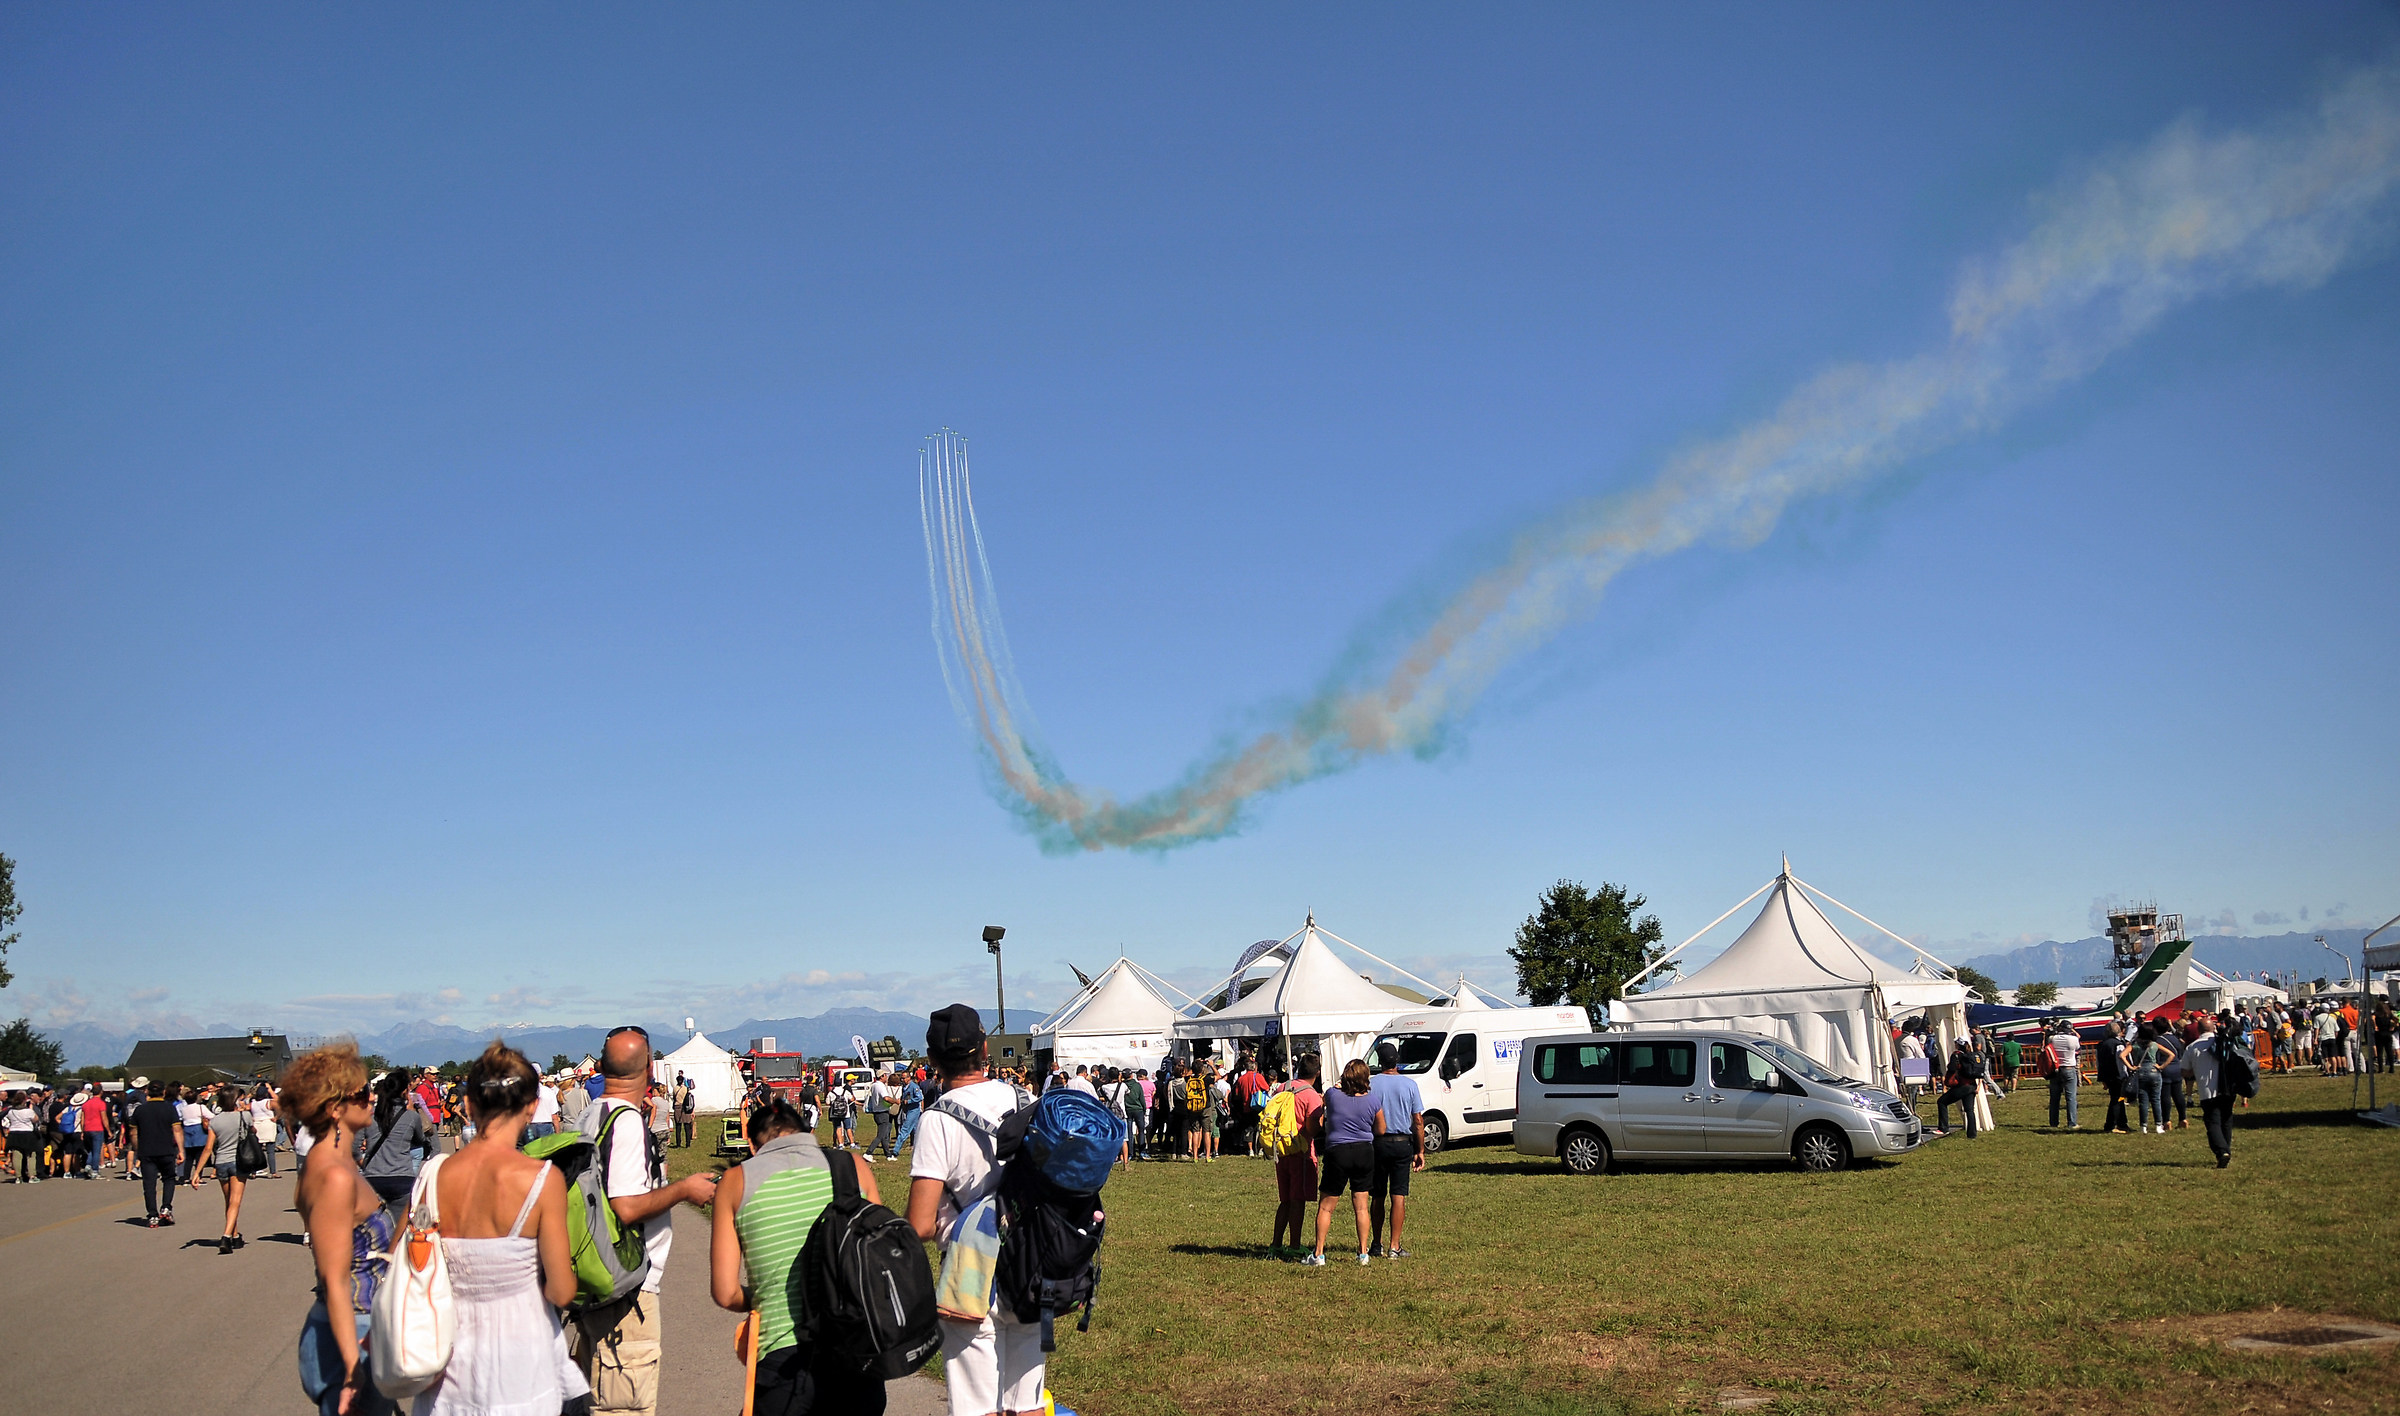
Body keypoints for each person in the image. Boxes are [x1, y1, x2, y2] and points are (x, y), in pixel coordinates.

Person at [413, 1041, 589, 1416]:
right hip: (523, 1364)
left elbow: (407, 1262)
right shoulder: (542, 1179)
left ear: (470, 1105)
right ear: (530, 1106)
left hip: (446, 1365)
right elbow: (560, 1291)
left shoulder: (432, 1176)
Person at [571, 1026, 719, 1416]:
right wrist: (685, 1190)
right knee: (623, 1404)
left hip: (595, 1278)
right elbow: (627, 1206)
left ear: (601, 1066)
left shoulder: (589, 1115)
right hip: (627, 1287)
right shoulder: (626, 1122)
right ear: (651, 1067)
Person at [907, 1003, 1044, 1416]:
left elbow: (920, 1225)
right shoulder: (1026, 1100)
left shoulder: (937, 1120)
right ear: (985, 1048)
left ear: (931, 1060)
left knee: (975, 1406)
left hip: (971, 1272)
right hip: (1033, 1262)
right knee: (1028, 1403)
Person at [711, 1094, 886, 1416]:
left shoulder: (736, 1181)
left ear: (752, 1147)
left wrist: (767, 1294)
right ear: (809, 1134)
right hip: (858, 1353)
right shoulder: (854, 1167)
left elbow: (725, 1293)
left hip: (784, 1362)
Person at [288, 1043, 400, 1416]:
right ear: (336, 1108)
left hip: (363, 1328)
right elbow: (334, 1278)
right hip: (350, 1335)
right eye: (364, 1093)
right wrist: (353, 1369)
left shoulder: (338, 1163)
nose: (373, 1098)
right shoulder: (334, 1175)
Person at [1305, 1059, 1383, 1267]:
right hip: (1364, 1151)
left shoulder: (1332, 1095)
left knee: (1326, 1207)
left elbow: (1324, 1102)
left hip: (1337, 1151)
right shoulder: (1373, 1101)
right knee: (1361, 1207)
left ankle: (1319, 1253)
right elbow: (1381, 1129)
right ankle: (1363, 1251)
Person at [1366, 1042, 1425, 1258]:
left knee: (1378, 1195)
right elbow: (1418, 1120)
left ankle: (1376, 1242)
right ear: (1397, 1060)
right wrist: (1420, 1150)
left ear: (1380, 1061)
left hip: (1378, 1143)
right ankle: (1394, 1245)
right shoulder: (1409, 1084)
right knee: (1398, 1195)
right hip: (1402, 1143)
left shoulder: (1371, 1084)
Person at [358, 1069, 435, 1229]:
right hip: (401, 1176)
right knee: (401, 1230)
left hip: (373, 1177)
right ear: (404, 1091)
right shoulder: (411, 1117)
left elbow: (354, 1146)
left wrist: (362, 1163)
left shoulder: (372, 1117)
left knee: (374, 1231)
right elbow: (420, 1139)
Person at [1269, 1058, 1324, 1256]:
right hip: (1300, 1151)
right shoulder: (1311, 1095)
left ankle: (1276, 1243)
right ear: (1317, 1072)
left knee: (1285, 1200)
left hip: (1280, 1149)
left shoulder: (1282, 1087)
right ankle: (1294, 1245)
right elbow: (1312, 1128)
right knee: (1297, 1199)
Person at [2187, 1012, 2239, 1168]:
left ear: (2199, 1030)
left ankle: (2222, 1151)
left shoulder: (2193, 1047)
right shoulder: (2225, 1042)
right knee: (2226, 1120)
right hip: (2228, 1087)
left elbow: (2185, 1071)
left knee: (2213, 1122)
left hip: (2207, 1090)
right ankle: (2226, 1149)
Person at [129, 1078, 185, 1224]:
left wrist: (137, 1150)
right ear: (163, 1091)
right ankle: (166, 1207)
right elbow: (177, 1130)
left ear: (147, 1091)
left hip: (147, 1151)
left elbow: (133, 1133)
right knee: (169, 1179)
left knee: (149, 1184)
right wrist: (181, 1150)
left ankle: (152, 1215)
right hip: (166, 1150)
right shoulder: (169, 1108)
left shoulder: (140, 1110)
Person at [207, 1089, 253, 1253]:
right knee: (235, 1201)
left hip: (221, 1162)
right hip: (238, 1161)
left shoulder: (215, 1121)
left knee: (228, 1201)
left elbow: (208, 1148)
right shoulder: (244, 1116)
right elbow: (252, 1131)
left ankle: (235, 1235)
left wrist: (197, 1172)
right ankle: (226, 1236)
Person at [1936, 1036, 1982, 1138]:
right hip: (1972, 1085)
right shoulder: (1971, 1055)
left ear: (1957, 1045)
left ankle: (1943, 1128)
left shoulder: (1956, 1055)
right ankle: (1972, 1134)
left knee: (1942, 1102)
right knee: (1969, 1110)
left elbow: (1952, 1068)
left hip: (1961, 1085)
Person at [2132, 1024, 2171, 1135]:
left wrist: (2131, 1066)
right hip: (2154, 1071)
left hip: (2141, 1071)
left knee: (2143, 1101)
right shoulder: (2154, 1044)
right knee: (2156, 1100)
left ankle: (2143, 1126)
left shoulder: (2135, 1045)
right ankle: (2159, 1125)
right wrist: (2161, 1066)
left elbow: (2122, 1055)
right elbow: (2171, 1054)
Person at [2044, 1021, 2080, 1130]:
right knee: (2071, 1097)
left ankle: (2054, 1122)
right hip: (2069, 1068)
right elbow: (2077, 1047)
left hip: (2055, 1068)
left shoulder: (2052, 1039)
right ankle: (2072, 1122)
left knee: (2054, 1097)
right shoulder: (2073, 1039)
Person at [2097, 1022, 2132, 1134]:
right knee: (2116, 1100)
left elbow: (2099, 1062)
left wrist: (2102, 1078)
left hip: (2107, 1076)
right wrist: (2125, 1074)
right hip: (2117, 1076)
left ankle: (2122, 1123)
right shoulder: (2118, 1044)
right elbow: (2120, 1062)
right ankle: (2110, 1125)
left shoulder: (2102, 1044)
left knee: (2119, 1099)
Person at [177, 1082, 211, 1188]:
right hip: (198, 1130)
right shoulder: (200, 1107)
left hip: (187, 1130)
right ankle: (198, 1177)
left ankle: (185, 1177)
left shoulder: (183, 1109)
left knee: (189, 1157)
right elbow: (211, 1116)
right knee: (200, 1156)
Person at [3, 1090, 39, 1183]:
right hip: (27, 1134)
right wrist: (31, 1107)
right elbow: (36, 1120)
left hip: (14, 1134)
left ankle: (18, 1177)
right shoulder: (28, 1111)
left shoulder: (11, 1111)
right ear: (24, 1100)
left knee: (17, 1156)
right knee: (30, 1155)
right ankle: (32, 1176)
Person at [249, 1084, 282, 1179]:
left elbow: (243, 1108)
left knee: (256, 1150)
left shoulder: (252, 1103)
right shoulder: (270, 1102)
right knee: (270, 1151)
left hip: (257, 1125)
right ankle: (273, 1172)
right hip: (268, 1124)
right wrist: (276, 1117)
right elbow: (281, 1108)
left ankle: (253, 1171)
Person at [894, 1069, 924, 1159]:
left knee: (905, 1129)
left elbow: (920, 1097)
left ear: (909, 1078)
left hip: (914, 1110)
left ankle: (896, 1150)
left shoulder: (914, 1086)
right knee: (916, 1130)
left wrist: (909, 1101)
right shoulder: (904, 1087)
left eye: (903, 1078)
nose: (902, 1080)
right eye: (901, 1078)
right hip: (907, 1110)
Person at [673, 1077, 696, 1150]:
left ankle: (678, 1143)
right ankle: (688, 1144)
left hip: (677, 1107)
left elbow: (674, 1097)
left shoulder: (675, 1088)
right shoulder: (686, 1088)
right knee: (687, 1126)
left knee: (678, 1126)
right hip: (685, 1108)